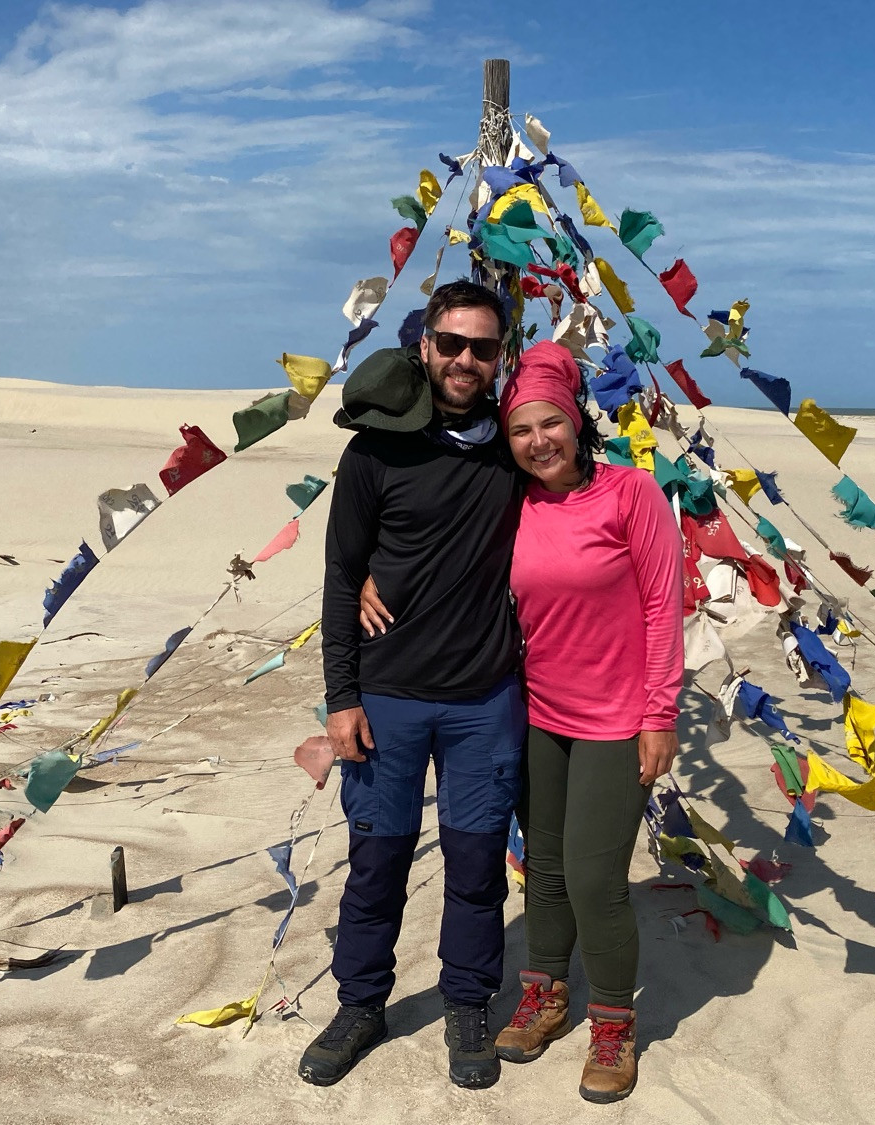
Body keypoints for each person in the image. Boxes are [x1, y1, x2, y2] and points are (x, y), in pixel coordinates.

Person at [361, 340, 684, 1103]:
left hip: (617, 719)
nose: (538, 440)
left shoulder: (630, 492)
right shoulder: (515, 501)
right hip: (536, 712)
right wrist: (373, 575)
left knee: (594, 876)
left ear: (575, 423)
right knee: (542, 866)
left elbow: (661, 605)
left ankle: (613, 1023)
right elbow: (443, 547)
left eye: (549, 423)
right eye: (520, 429)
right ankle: (544, 992)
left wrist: (659, 712)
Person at [299, 280, 527, 1091]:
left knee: (476, 869)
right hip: (386, 698)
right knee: (376, 864)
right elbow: (340, 576)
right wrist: (340, 698)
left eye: (482, 347)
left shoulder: (514, 449)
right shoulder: (373, 452)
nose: (465, 359)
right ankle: (360, 1004)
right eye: (451, 343)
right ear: (423, 346)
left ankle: (467, 1004)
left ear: (501, 356)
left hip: (484, 700)